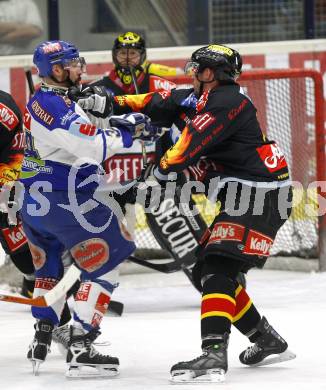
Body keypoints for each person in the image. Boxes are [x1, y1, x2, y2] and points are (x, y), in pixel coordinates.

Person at [79, 43, 296, 382]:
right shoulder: (201, 98)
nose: (191, 74)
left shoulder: (228, 102)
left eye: (198, 69)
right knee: (207, 271)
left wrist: (159, 175)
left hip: (261, 194)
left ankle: (213, 354)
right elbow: (155, 102)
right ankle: (265, 338)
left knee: (217, 268)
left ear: (213, 74)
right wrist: (106, 103)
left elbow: (185, 148)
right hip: (242, 190)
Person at [19, 39, 155, 378]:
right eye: (74, 63)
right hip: (66, 200)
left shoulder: (49, 99)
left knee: (48, 267)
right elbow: (92, 147)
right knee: (112, 255)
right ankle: (81, 341)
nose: (81, 67)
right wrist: (129, 132)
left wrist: (111, 117)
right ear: (57, 70)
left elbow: (82, 127)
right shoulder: (54, 105)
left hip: (34, 201)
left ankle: (43, 332)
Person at [0, 90, 36, 296]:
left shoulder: (4, 109)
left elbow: (16, 152)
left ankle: (34, 281)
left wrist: (7, 192)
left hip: (6, 174)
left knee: (16, 235)